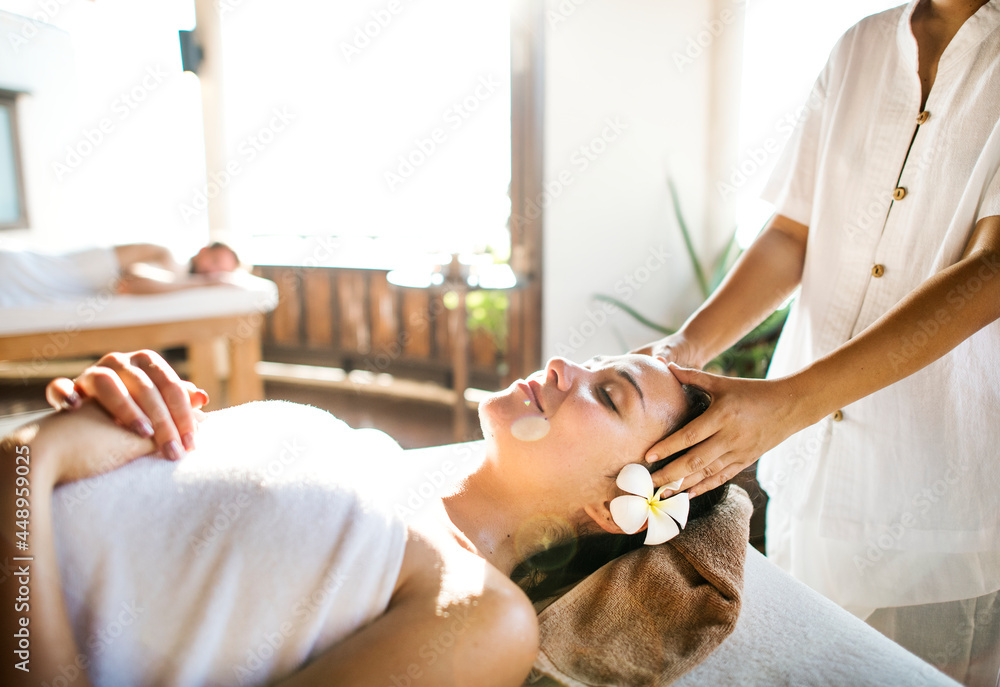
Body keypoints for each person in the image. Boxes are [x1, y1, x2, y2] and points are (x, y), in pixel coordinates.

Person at [634, 1, 1000, 683]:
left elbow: (992, 269)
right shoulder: (859, 45)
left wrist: (786, 404)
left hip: (943, 489)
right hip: (812, 479)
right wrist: (683, 347)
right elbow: (791, 232)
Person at [0, 349, 725, 686]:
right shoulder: (355, 448)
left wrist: (23, 475)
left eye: (610, 394)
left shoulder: (481, 612)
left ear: (616, 507)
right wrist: (107, 403)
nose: (565, 364)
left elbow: (28, 470)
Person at [0, 241, 242, 307]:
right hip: (24, 270)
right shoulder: (168, 257)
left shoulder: (176, 273)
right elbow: (130, 284)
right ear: (202, 251)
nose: (213, 272)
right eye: (215, 261)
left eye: (221, 271)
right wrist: (205, 284)